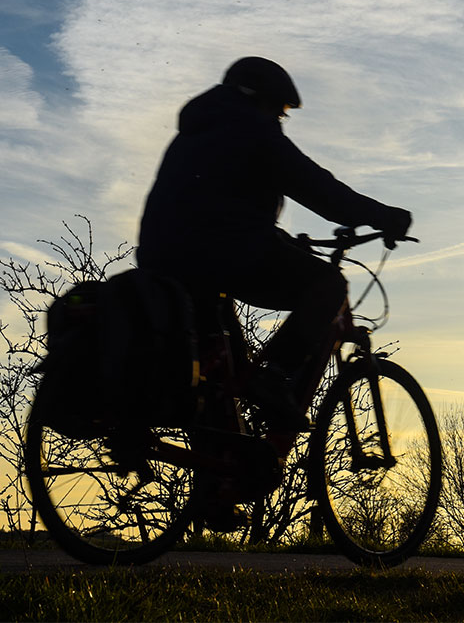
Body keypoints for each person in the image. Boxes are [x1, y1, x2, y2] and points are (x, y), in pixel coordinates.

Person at [137, 56, 412, 430]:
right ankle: (277, 375)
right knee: (328, 285)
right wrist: (384, 216)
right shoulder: (252, 129)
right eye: (280, 111)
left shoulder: (194, 133)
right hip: (220, 254)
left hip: (163, 262)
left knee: (223, 380)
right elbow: (320, 190)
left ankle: (220, 474)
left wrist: (276, 240)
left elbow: (214, 206)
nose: (280, 120)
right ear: (259, 98)